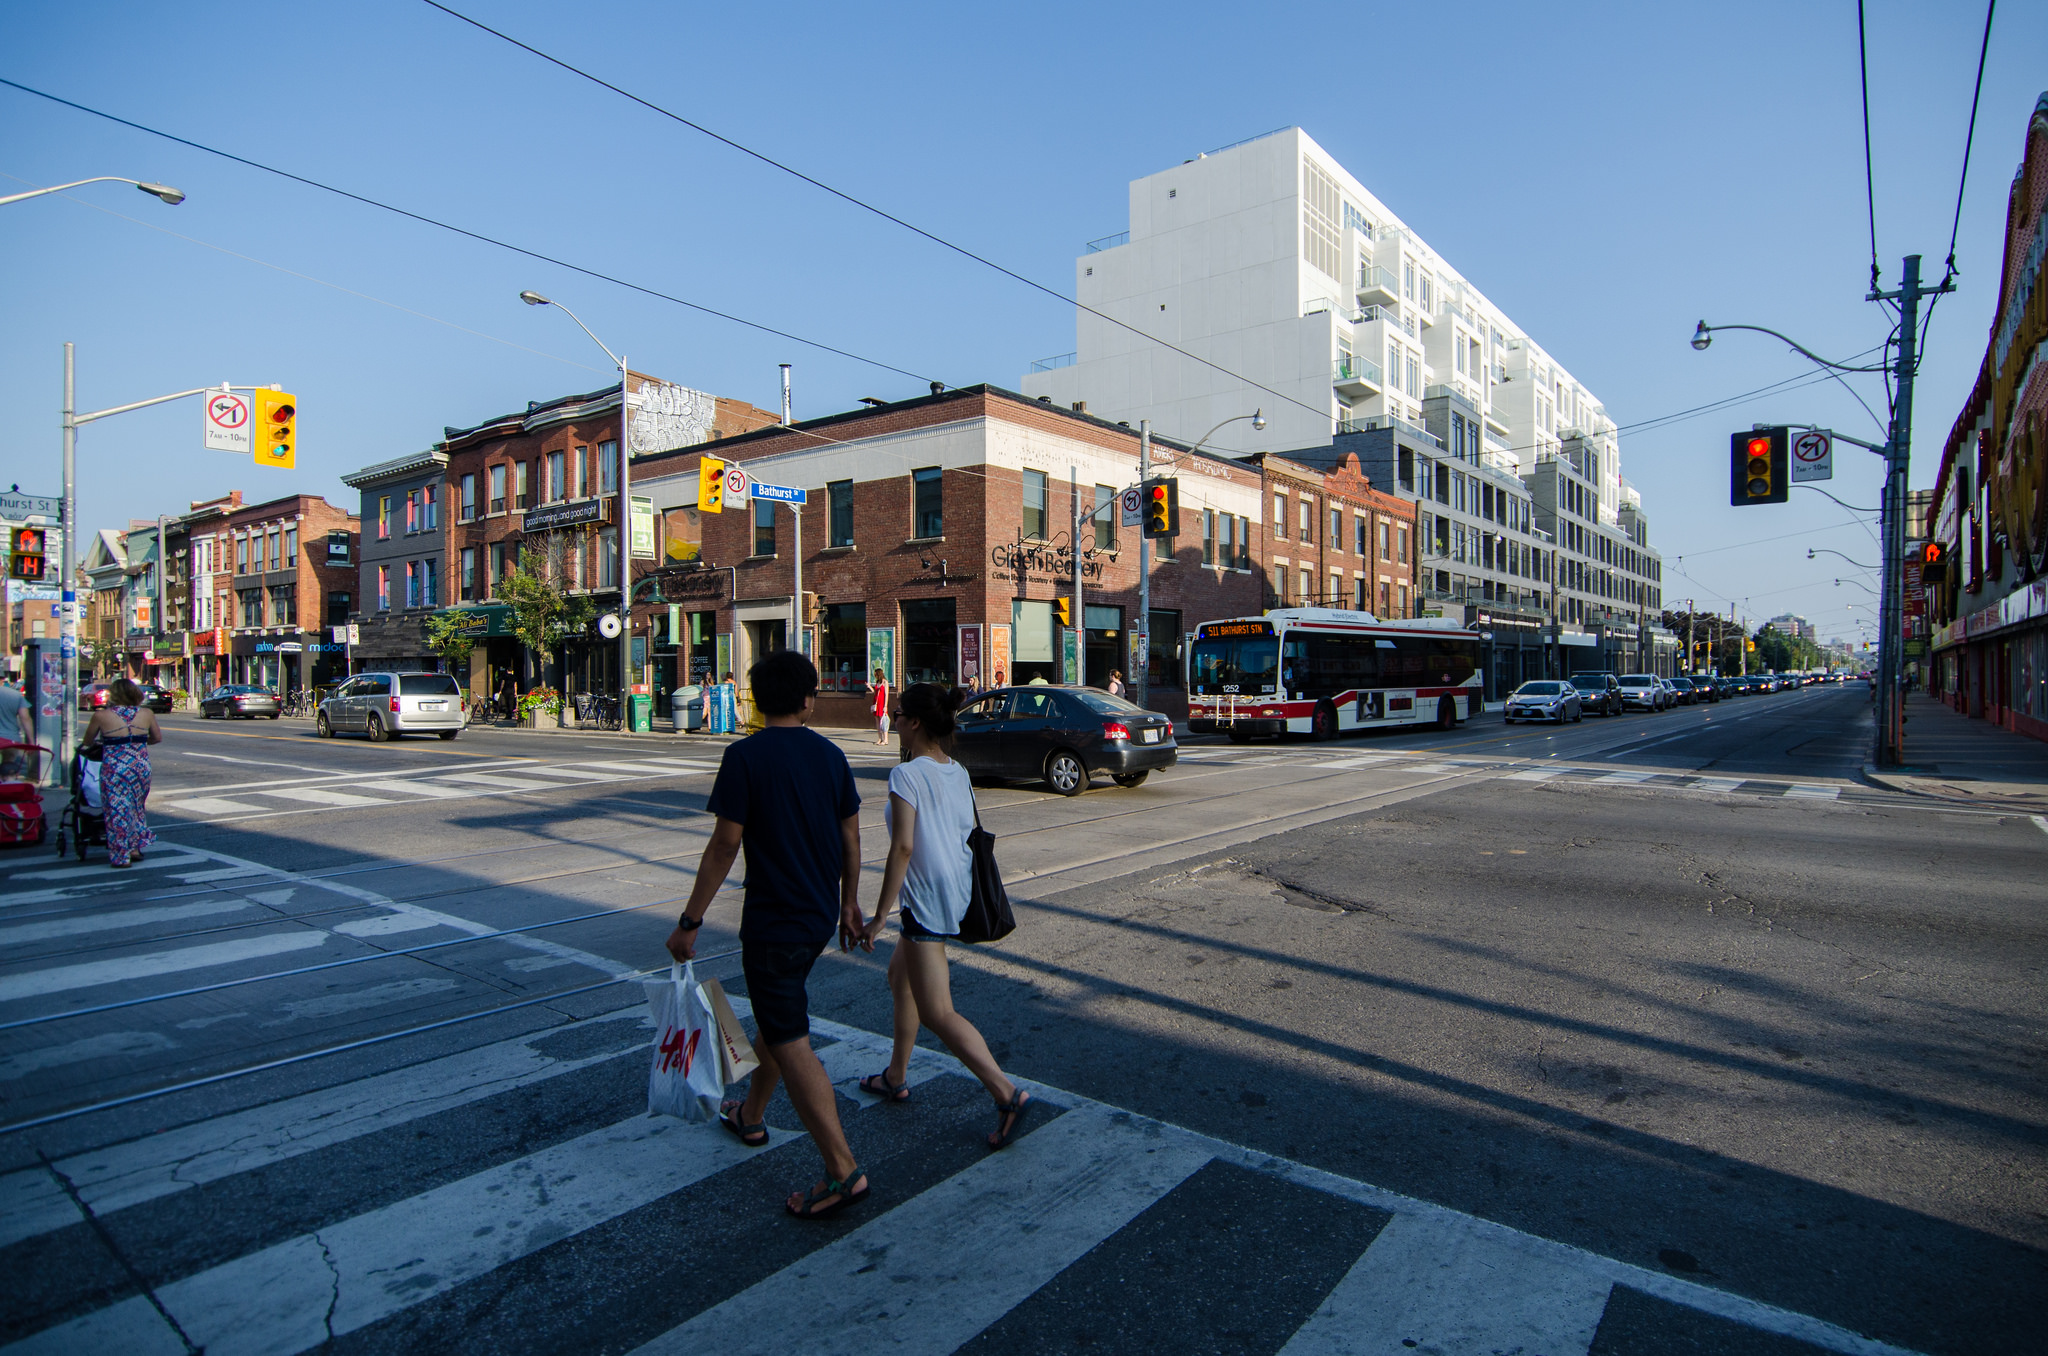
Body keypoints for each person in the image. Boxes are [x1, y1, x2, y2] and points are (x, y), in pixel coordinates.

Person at [667, 650, 870, 1219]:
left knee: (789, 1036)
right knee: (782, 1023)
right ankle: (751, 1115)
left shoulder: (744, 756)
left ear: (755, 699)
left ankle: (841, 1169)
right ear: (808, 700)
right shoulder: (832, 756)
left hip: (773, 922)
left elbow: (725, 846)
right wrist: (848, 904)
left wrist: (689, 921)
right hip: (813, 921)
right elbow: (852, 840)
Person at [858, 683, 1032, 1148]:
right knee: (901, 980)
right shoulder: (956, 771)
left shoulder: (907, 776)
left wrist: (878, 917)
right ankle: (896, 1074)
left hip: (927, 904)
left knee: (937, 1011)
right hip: (953, 891)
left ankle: (1005, 1092)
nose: (893, 720)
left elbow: (903, 847)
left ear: (914, 723)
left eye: (898, 714)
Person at [82, 677, 160, 868]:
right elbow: (157, 738)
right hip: (140, 767)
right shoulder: (146, 713)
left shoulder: (101, 716)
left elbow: (87, 741)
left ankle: (121, 855)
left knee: (117, 809)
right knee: (136, 807)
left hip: (115, 768)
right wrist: (138, 743)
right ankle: (134, 847)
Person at [0, 678, 33, 780]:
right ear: (2, 680)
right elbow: (25, 718)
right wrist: (31, 741)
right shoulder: (15, 695)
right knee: (8, 768)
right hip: (11, 739)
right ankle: (7, 789)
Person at [872, 667, 891, 744]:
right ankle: (880, 738)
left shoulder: (885, 682)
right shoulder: (877, 682)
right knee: (877, 721)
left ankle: (885, 739)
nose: (875, 675)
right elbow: (875, 692)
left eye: (876, 674)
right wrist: (870, 687)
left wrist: (885, 706)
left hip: (882, 704)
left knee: (883, 721)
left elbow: (886, 694)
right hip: (876, 703)